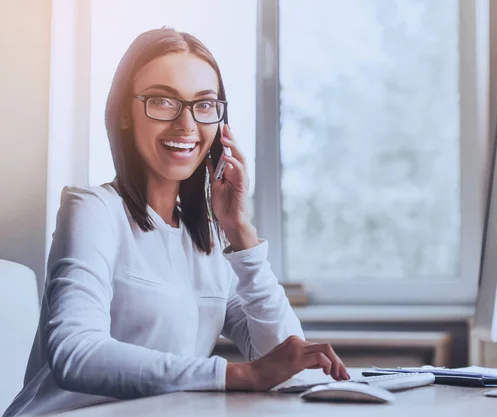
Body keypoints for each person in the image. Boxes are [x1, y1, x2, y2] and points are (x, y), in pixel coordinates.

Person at [3, 27, 348, 417]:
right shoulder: (93, 210)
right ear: (125, 116)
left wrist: (241, 234)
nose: (186, 125)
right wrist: (238, 374)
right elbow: (76, 354)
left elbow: (284, 359)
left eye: (204, 105)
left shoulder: (210, 241)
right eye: (163, 101)